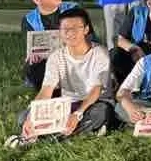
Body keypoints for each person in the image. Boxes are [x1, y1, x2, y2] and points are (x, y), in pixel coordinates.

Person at [7, 8, 113, 148]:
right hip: (68, 103)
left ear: (86, 29)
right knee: (24, 117)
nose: (70, 33)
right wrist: (32, 116)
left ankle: (46, 138)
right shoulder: (56, 57)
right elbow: (46, 90)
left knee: (99, 113)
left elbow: (96, 90)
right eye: (65, 29)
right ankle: (71, 132)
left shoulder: (100, 53)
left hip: (94, 102)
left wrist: (77, 114)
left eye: (75, 28)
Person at [21, 0, 79, 90]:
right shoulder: (29, 20)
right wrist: (33, 56)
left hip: (74, 55)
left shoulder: (73, 9)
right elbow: (31, 48)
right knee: (33, 67)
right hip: (48, 60)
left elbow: (90, 38)